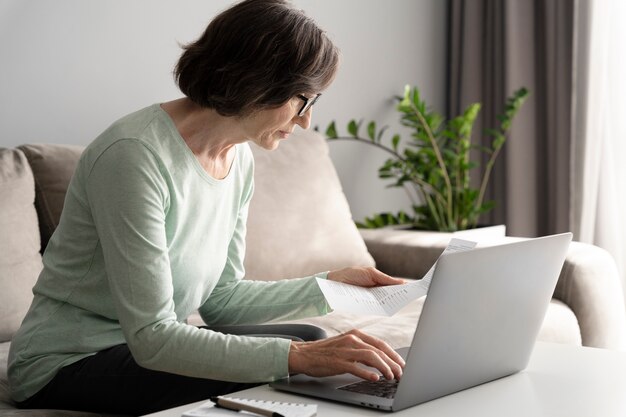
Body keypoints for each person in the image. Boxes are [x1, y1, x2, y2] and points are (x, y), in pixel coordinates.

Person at [8, 0, 405, 414]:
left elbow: (222, 300)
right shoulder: (134, 156)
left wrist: (332, 286)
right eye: (302, 99)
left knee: (307, 338)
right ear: (257, 80)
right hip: (68, 363)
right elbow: (153, 336)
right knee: (291, 359)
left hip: (143, 349)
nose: (306, 120)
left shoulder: (239, 158)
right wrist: (297, 358)